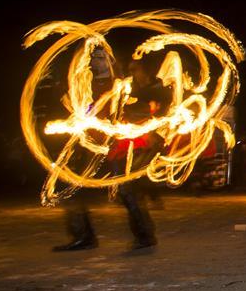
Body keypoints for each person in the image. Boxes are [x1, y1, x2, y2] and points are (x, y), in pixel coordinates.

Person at [53, 59, 165, 252]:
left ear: (110, 61)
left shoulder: (122, 84)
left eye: (101, 58)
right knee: (74, 189)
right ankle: (83, 237)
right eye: (94, 58)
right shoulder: (87, 83)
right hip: (95, 144)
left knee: (125, 190)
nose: (98, 62)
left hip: (117, 144)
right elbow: (86, 110)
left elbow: (143, 108)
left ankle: (145, 236)